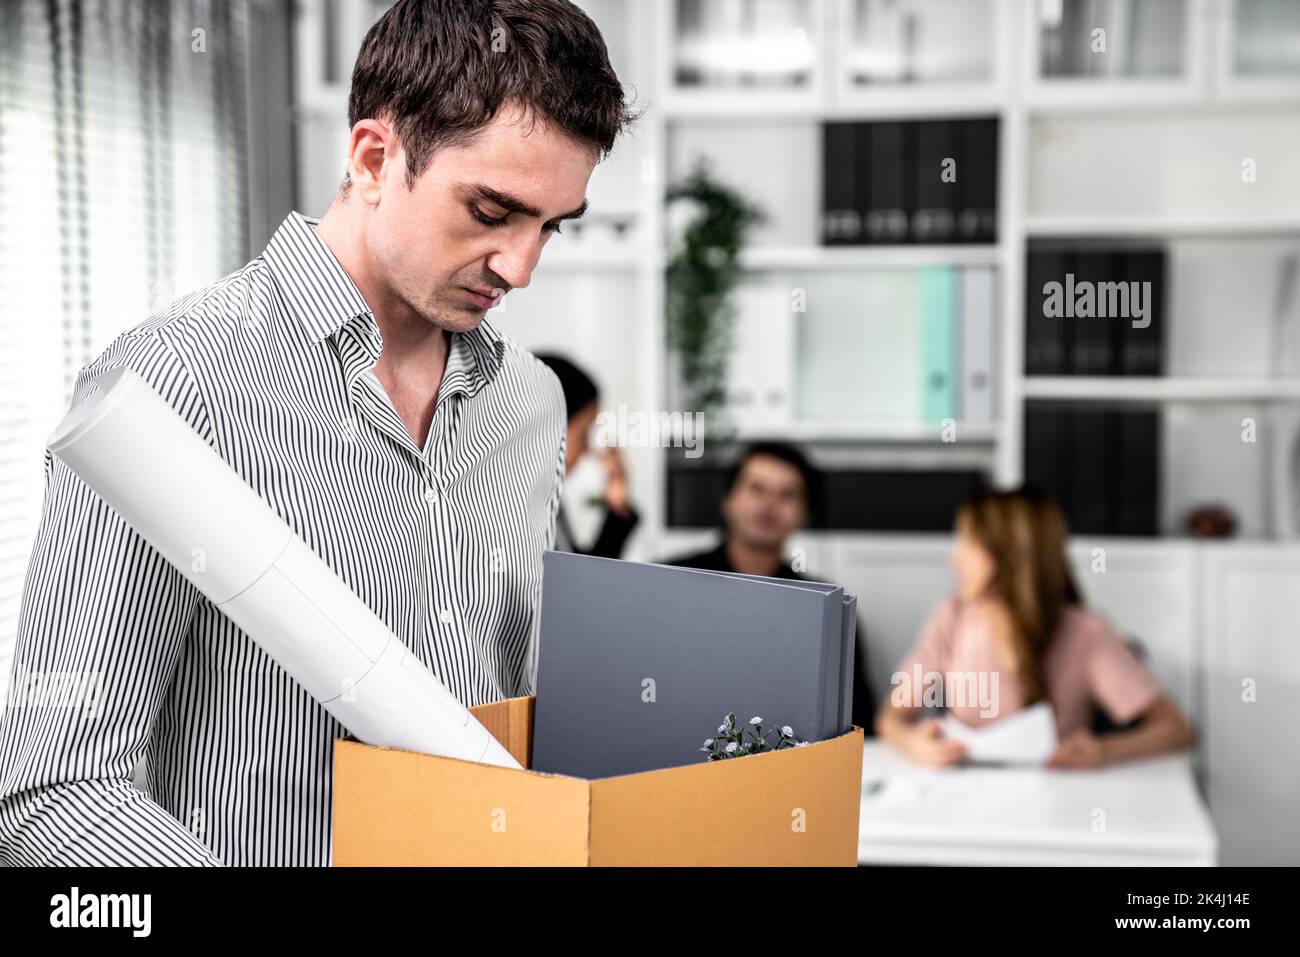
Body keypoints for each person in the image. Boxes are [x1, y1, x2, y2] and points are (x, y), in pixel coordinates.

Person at [0, 0, 637, 866]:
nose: (521, 268)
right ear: (375, 158)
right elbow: (57, 789)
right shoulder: (173, 383)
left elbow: (515, 716)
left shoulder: (529, 402)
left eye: (550, 227)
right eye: (492, 212)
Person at [876, 487, 1196, 768]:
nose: (955, 559)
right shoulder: (951, 618)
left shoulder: (1085, 631)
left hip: (1054, 801)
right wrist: (913, 741)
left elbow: (1177, 729)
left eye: (969, 542)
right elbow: (890, 719)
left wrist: (1106, 749)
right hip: (965, 800)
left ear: (1010, 553)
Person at [665, 442, 877, 735]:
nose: (769, 505)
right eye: (756, 488)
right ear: (728, 499)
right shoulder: (670, 582)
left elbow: (858, 715)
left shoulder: (826, 607)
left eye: (787, 494)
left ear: (804, 513)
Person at [535, 354, 639, 558]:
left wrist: (617, 505)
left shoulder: (545, 499)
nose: (587, 449)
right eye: (583, 432)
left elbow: (579, 581)